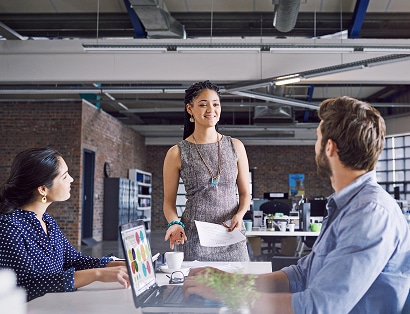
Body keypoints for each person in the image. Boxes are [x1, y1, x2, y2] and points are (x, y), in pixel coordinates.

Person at [183, 96, 410, 313]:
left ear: (329, 147)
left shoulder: (369, 213)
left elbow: (316, 308)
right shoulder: (347, 206)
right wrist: (230, 280)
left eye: (318, 138)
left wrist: (227, 293)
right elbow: (302, 275)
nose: (316, 145)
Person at [0, 148, 130, 301]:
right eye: (64, 176)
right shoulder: (8, 227)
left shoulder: (47, 221)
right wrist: (98, 274)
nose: (71, 180)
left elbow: (74, 261)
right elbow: (26, 286)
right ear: (43, 189)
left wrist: (119, 264)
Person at [163, 80, 251, 261]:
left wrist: (240, 215)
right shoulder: (177, 152)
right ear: (190, 109)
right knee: (198, 288)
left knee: (239, 288)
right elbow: (168, 203)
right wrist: (174, 223)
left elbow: (245, 193)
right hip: (195, 239)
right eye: (203, 104)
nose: (211, 109)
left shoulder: (235, 146)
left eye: (215, 104)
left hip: (231, 235)